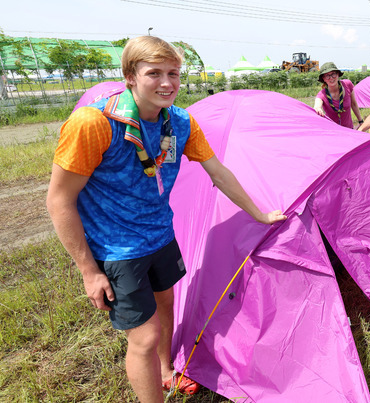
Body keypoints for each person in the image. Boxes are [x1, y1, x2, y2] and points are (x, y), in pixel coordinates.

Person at [46, 36, 287, 402]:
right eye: (154, 73)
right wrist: (88, 270)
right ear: (130, 76)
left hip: (161, 235)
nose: (167, 83)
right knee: (143, 337)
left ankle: (166, 370)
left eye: (173, 73)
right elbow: (60, 200)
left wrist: (260, 214)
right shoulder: (93, 123)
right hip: (117, 249)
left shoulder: (180, 123)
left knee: (167, 305)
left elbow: (218, 173)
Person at [314, 62, 363, 129]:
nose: (331, 78)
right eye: (327, 76)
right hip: (333, 132)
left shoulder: (347, 84)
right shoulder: (322, 95)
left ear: (338, 74)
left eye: (333, 74)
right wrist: (318, 108)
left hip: (349, 130)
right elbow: (317, 105)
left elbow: (353, 104)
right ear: (324, 79)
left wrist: (361, 121)